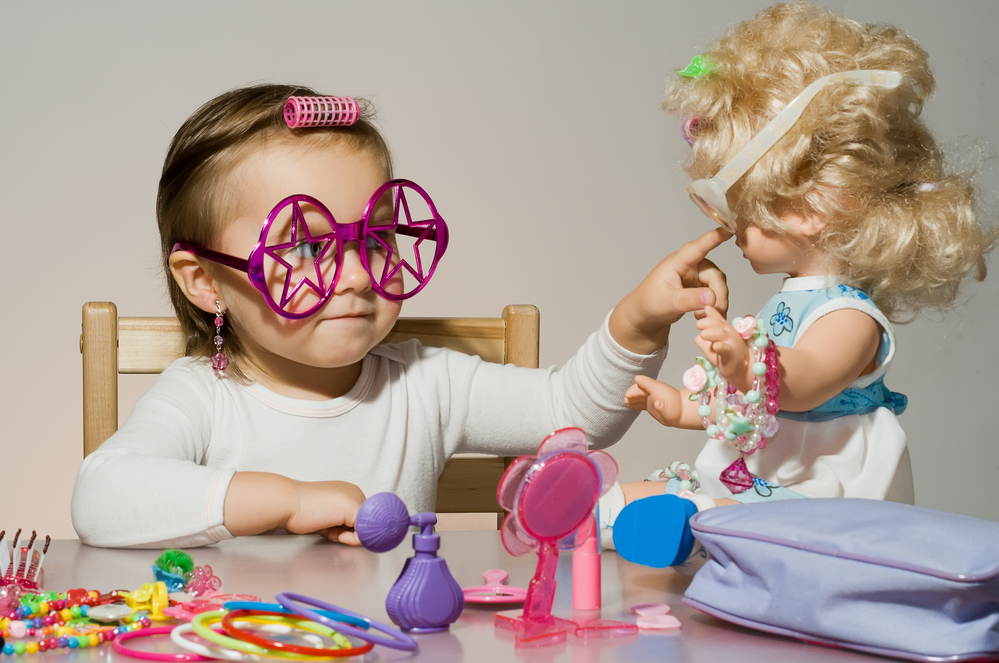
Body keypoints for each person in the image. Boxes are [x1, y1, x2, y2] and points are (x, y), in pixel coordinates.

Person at [71, 83, 729, 549]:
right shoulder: (200, 398)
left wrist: (639, 322)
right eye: (304, 244)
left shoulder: (424, 383)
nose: (358, 275)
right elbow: (101, 497)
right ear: (207, 281)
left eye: (377, 235)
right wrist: (289, 499)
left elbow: (573, 412)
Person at [602, 1, 994, 567]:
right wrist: (681, 405)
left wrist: (744, 361)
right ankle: (602, 511)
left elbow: (803, 383)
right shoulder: (788, 302)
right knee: (663, 495)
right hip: (758, 463)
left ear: (806, 210)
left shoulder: (851, 317)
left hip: (822, 489)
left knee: (749, 522)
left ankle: (688, 526)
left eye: (742, 212)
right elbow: (742, 404)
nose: (730, 228)